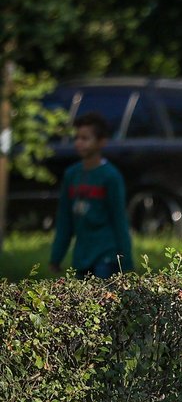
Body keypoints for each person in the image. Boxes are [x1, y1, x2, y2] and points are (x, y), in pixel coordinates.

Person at [49, 111, 134, 278]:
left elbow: (119, 220)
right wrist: (56, 257)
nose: (79, 143)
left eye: (85, 138)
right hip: (81, 256)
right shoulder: (71, 175)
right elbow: (64, 220)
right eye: (77, 138)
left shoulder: (110, 176)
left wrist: (126, 261)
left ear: (101, 142)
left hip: (106, 255)